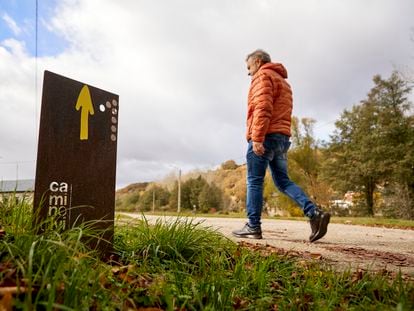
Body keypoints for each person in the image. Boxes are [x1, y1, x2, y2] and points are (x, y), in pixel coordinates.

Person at [232, 49, 330, 242]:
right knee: (283, 181)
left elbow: (263, 107)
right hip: (281, 138)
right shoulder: (284, 82)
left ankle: (253, 226)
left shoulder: (262, 76)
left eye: (249, 67)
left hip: (265, 136)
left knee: (254, 181)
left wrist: (257, 138)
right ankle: (314, 213)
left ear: (258, 62)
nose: (248, 72)